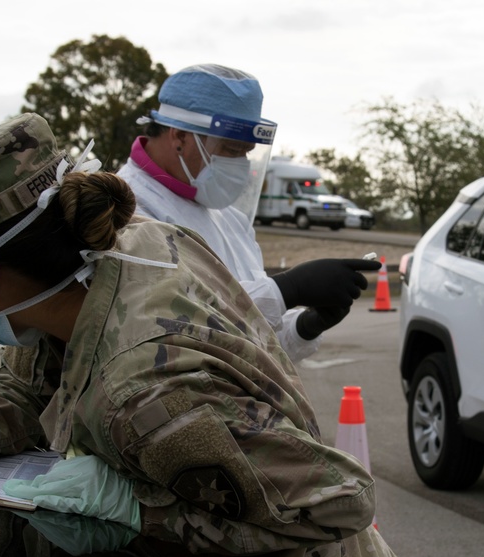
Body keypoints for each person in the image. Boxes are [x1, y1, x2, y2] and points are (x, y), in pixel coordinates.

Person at [0, 112, 421, 557]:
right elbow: (31, 384)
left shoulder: (147, 393)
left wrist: (136, 509)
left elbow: (340, 499)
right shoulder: (99, 265)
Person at [117, 63, 380, 362]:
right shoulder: (126, 207)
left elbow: (256, 345)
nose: (240, 164)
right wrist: (285, 290)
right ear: (179, 137)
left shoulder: (228, 216)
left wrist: (304, 327)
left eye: (246, 152)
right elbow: (175, 329)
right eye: (231, 150)